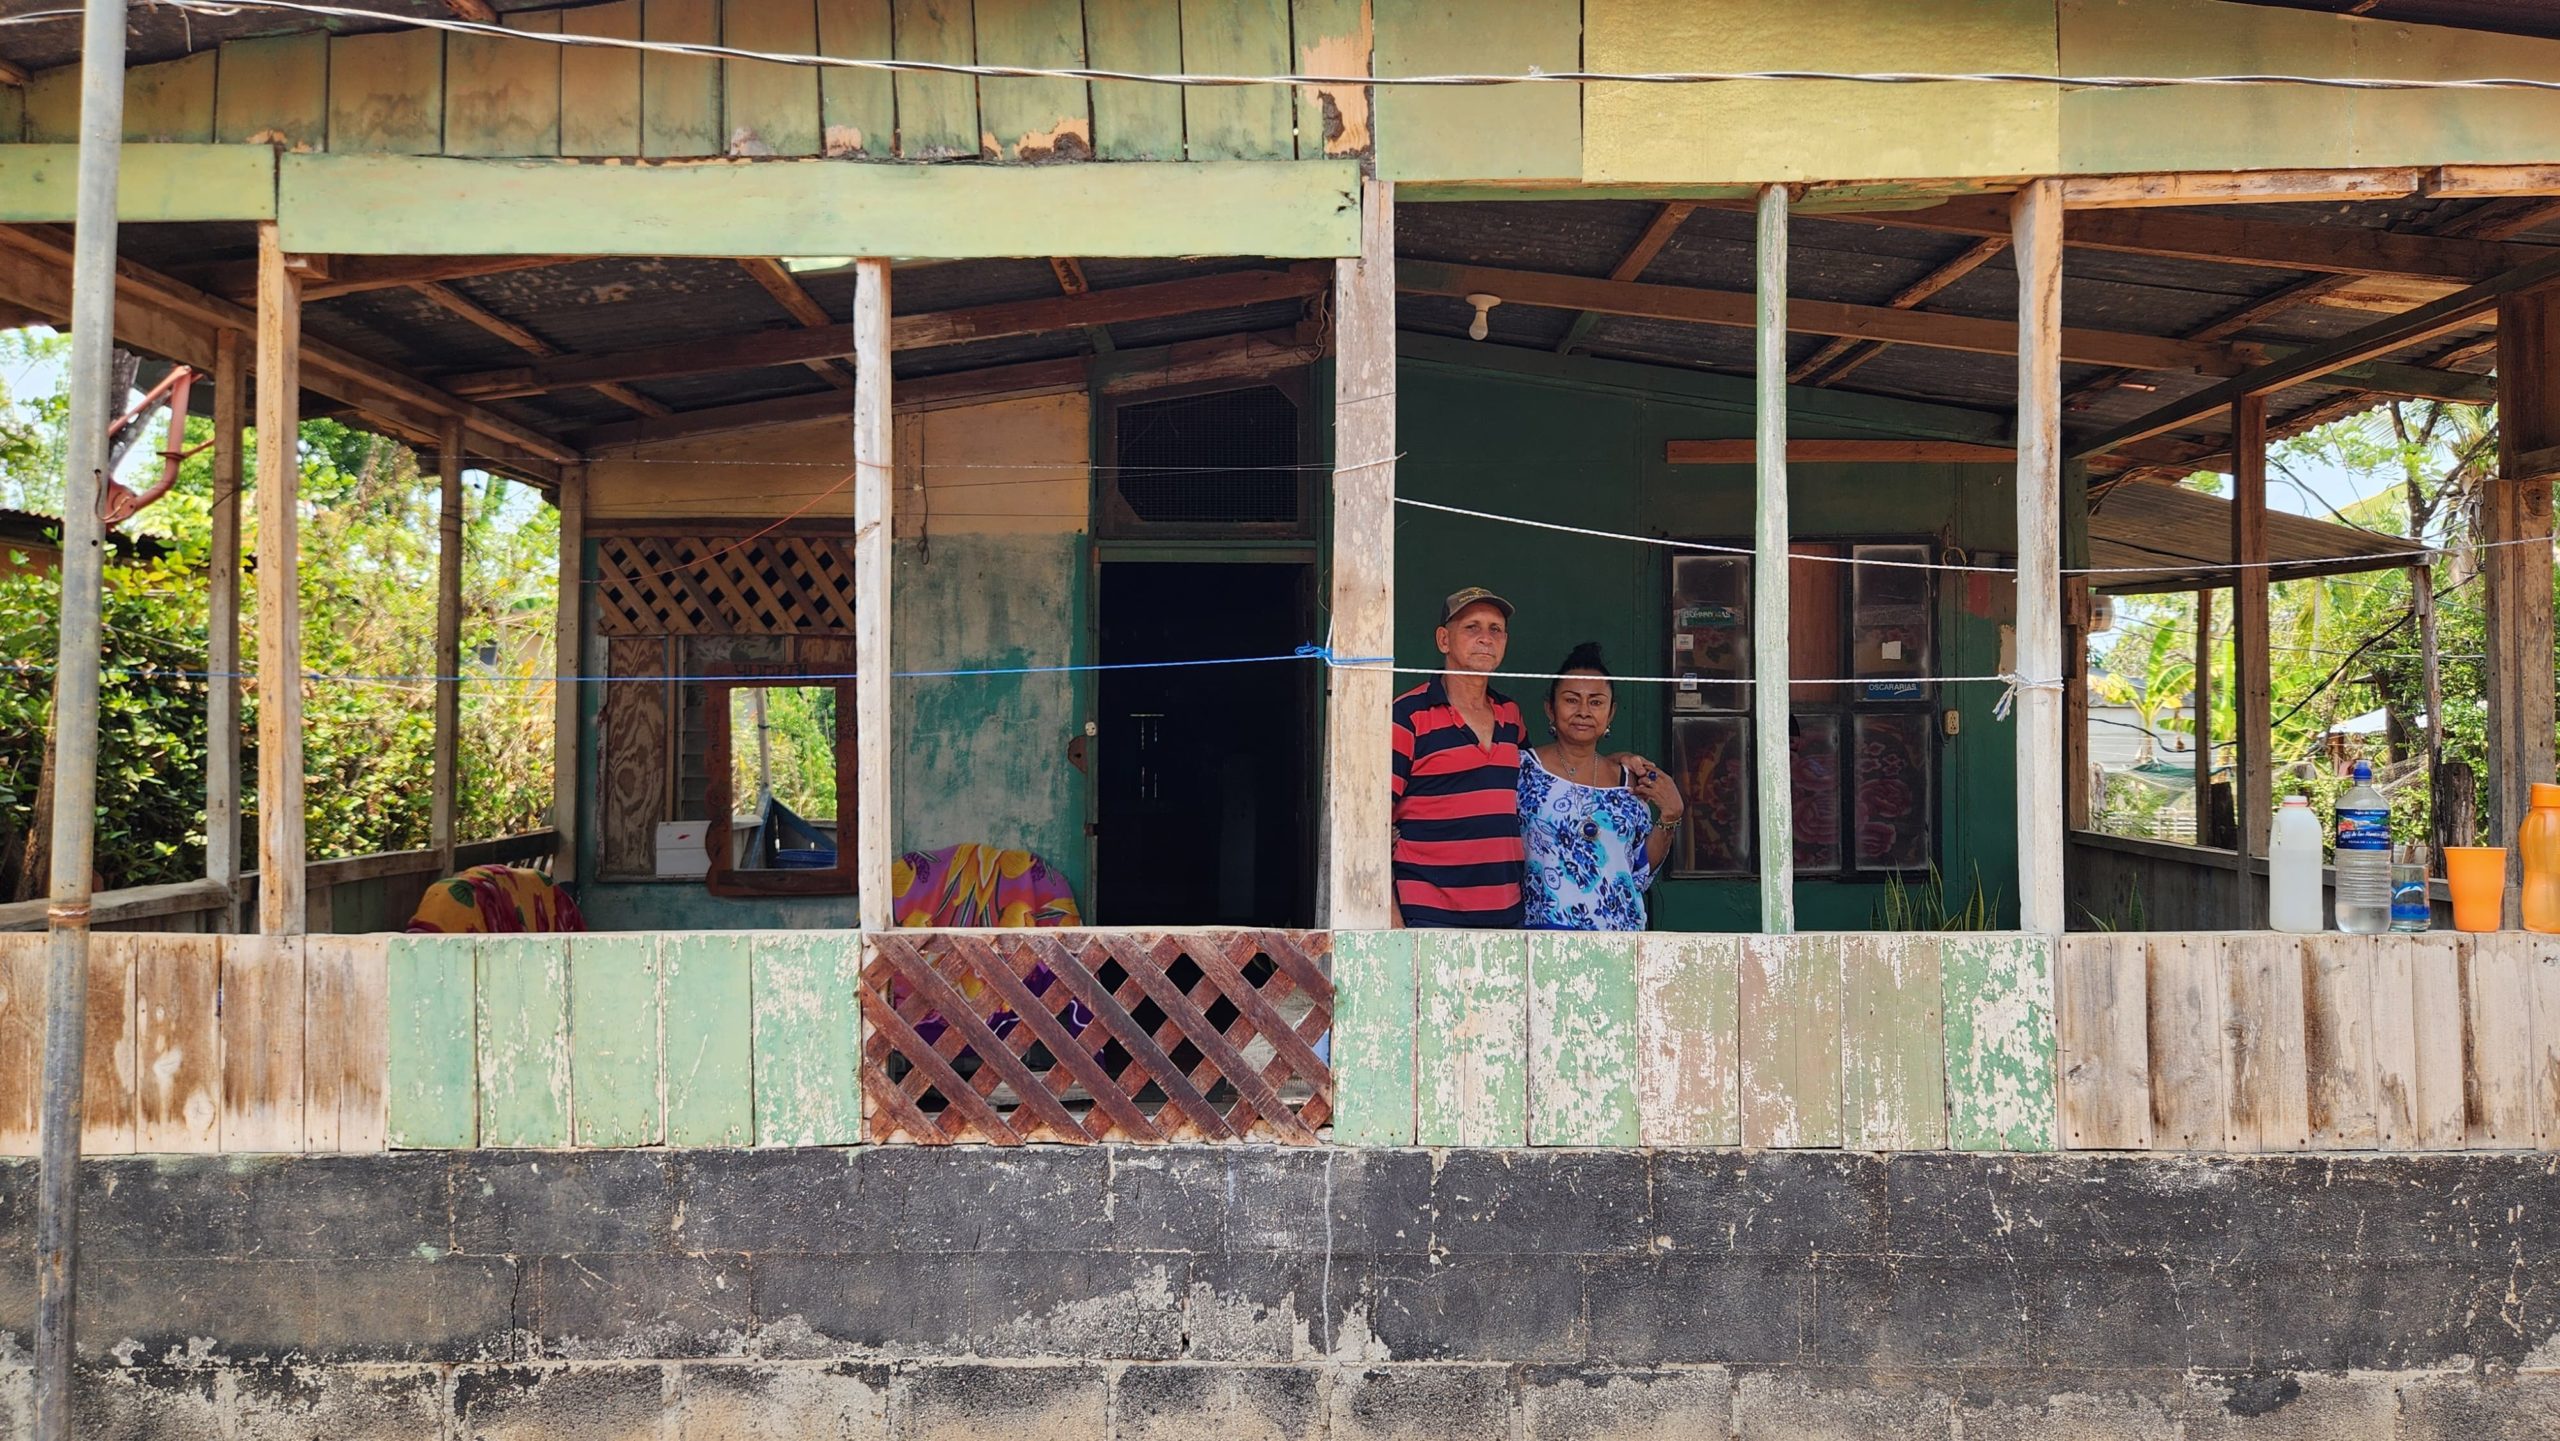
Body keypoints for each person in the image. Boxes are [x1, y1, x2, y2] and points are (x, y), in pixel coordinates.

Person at [1518, 642, 1685, 931]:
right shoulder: (1522, 771)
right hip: (1543, 941)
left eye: (1596, 702)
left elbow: (1638, 872)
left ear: (1611, 713)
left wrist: (1670, 815)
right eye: (1571, 700)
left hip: (1620, 941)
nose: (1584, 711)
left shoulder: (1628, 784)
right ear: (1550, 708)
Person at [1390, 587, 1527, 928]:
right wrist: (1392, 922)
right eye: (1472, 627)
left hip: (1505, 913)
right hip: (1428, 914)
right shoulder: (1408, 716)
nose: (1486, 638)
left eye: (1495, 629)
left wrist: (1617, 761)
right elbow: (1371, 826)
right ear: (1443, 640)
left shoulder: (1511, 716)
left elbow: (1539, 786)